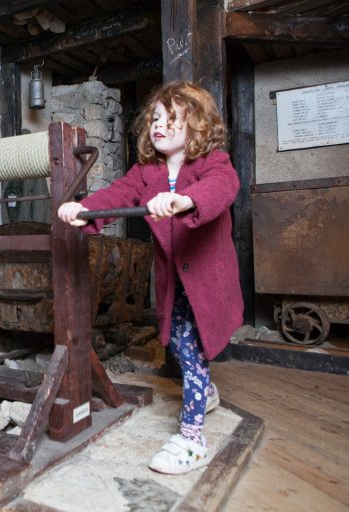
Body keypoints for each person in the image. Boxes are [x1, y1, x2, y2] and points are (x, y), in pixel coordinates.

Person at [58, 81, 243, 475]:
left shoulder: (213, 163)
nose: (160, 124)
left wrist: (186, 199)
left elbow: (223, 187)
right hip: (173, 281)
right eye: (156, 118)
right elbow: (118, 195)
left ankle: (192, 437)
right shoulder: (146, 172)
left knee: (194, 350)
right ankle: (205, 391)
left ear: (197, 125)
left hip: (207, 279)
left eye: (172, 118)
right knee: (178, 342)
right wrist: (83, 209)